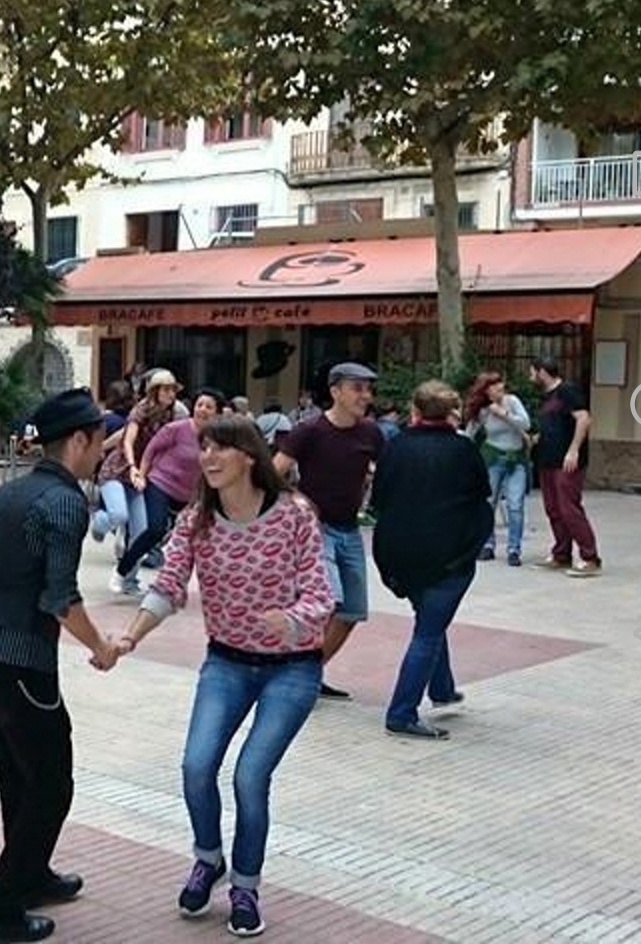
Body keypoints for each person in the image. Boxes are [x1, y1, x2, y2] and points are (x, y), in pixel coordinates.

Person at [112, 415, 335, 939]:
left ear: (250, 456)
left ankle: (246, 888)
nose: (207, 458)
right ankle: (208, 859)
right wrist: (129, 637)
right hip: (227, 662)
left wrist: (295, 618)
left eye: (220, 449)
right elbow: (168, 586)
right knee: (196, 766)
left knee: (250, 777)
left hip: (292, 668)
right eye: (204, 448)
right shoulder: (196, 520)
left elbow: (323, 594)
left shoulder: (296, 514)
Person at [0, 388, 121, 944]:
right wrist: (99, 646)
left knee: (17, 777)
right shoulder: (66, 502)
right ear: (79, 441)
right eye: (99, 441)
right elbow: (60, 599)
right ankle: (1, 908)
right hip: (21, 667)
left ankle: (31, 874)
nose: (102, 452)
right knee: (51, 786)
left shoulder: (11, 491)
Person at [372, 381, 491, 740]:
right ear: (451, 412)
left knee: (430, 618)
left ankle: (442, 688)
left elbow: (379, 499)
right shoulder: (463, 450)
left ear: (416, 411)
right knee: (428, 631)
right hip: (449, 555)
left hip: (399, 552)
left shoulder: (396, 446)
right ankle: (402, 712)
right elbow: (480, 496)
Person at [273, 362, 386, 701]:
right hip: (316, 530)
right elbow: (273, 473)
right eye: (357, 388)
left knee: (352, 611)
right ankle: (295, 675)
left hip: (350, 530)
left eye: (368, 389)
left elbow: (388, 470)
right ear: (335, 391)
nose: (365, 396)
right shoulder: (309, 431)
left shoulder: (371, 433)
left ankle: (309, 673)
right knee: (329, 600)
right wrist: (297, 501)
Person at [112, 388, 226, 597]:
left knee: (202, 536)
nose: (202, 410)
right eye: (199, 405)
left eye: (209, 407)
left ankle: (194, 583)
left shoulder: (218, 439)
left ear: (218, 413)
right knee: (155, 528)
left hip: (189, 495)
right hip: (160, 484)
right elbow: (151, 450)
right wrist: (141, 476)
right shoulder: (176, 429)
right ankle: (122, 570)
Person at [90, 369, 183, 557]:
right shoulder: (142, 409)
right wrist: (132, 466)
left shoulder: (174, 413)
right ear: (155, 391)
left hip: (143, 475)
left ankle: (129, 579)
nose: (170, 394)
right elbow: (127, 439)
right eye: (166, 390)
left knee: (141, 531)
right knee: (118, 515)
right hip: (119, 470)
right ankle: (99, 523)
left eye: (173, 390)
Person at [528, 358, 600, 577]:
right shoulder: (548, 396)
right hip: (547, 459)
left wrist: (574, 450)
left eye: (532, 372)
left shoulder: (567, 390)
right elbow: (556, 423)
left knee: (569, 507)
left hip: (566, 460)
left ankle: (589, 556)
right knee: (553, 508)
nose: (530, 377)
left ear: (542, 372)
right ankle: (561, 553)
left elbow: (583, 419)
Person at [464, 372, 531, 565]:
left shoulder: (512, 401)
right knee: (488, 503)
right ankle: (487, 544)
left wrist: (504, 414)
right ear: (486, 391)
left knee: (515, 505)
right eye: (493, 386)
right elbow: (470, 432)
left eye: (500, 383)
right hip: (493, 458)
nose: (498, 388)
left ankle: (514, 549)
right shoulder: (483, 410)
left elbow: (525, 423)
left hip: (515, 459)